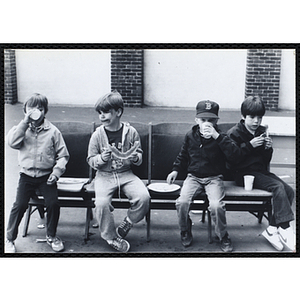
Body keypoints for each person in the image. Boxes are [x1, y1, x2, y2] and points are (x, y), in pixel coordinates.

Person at [167, 100, 238, 252]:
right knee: (182, 202)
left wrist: (216, 137)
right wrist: (175, 170)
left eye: (211, 120)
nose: (207, 123)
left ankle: (223, 235)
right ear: (196, 120)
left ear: (216, 121)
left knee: (216, 205)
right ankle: (185, 229)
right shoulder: (190, 136)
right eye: (203, 120)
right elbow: (183, 155)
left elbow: (233, 155)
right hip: (193, 177)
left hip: (214, 178)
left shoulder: (221, 137)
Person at [227, 95, 295, 251]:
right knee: (277, 187)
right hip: (242, 175)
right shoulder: (234, 133)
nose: (256, 121)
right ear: (243, 117)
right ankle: (284, 227)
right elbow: (231, 160)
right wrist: (249, 145)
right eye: (252, 117)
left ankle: (272, 228)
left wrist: (267, 148)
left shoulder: (261, 132)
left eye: (259, 117)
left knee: (288, 191)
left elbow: (265, 160)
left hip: (259, 172)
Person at [5, 93, 69, 253]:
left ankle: (52, 236)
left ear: (45, 111)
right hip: (26, 175)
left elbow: (63, 155)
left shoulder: (53, 131)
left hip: (46, 176)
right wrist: (24, 123)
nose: (36, 111)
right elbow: (12, 143)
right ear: (25, 110)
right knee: (19, 205)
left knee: (53, 203)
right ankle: (10, 238)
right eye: (31, 108)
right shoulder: (20, 129)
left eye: (40, 108)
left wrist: (56, 172)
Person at [87, 90, 150, 253]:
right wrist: (101, 158)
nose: (102, 116)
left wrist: (136, 157)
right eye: (100, 112)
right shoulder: (97, 135)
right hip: (104, 175)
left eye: (106, 112)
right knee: (101, 203)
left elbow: (139, 155)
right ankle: (110, 236)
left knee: (144, 197)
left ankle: (129, 220)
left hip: (126, 173)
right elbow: (91, 159)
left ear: (118, 112)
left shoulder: (131, 132)